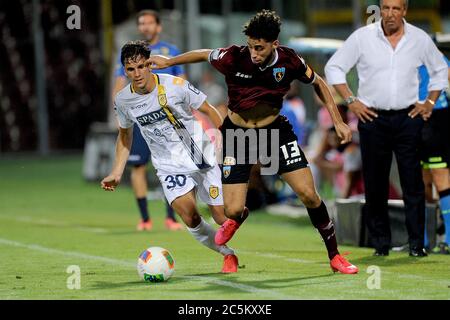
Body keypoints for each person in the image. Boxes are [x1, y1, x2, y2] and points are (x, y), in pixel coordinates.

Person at [148, 10, 358, 274]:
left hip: (275, 133)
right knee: (232, 210)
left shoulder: (289, 60)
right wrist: (169, 61)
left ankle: (335, 256)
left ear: (274, 45)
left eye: (259, 48)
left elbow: (318, 82)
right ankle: (238, 218)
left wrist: (338, 119)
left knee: (309, 195)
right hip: (239, 136)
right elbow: (203, 53)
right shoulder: (233, 57)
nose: (254, 53)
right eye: (251, 46)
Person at [325, 0, 448, 257]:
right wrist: (351, 101)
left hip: (408, 118)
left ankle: (417, 244)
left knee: (413, 184)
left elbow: (440, 69)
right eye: (386, 8)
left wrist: (430, 102)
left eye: (396, 8)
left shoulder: (419, 39)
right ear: (380, 9)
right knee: (375, 183)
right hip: (372, 118)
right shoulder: (363, 37)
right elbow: (333, 67)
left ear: (405, 11)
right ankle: (381, 244)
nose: (390, 13)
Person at [102, 41, 239, 273]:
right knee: (190, 216)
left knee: (220, 217)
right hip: (168, 166)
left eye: (141, 66)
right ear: (125, 70)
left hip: (200, 156)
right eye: (130, 69)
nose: (136, 74)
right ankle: (227, 254)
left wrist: (227, 141)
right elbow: (125, 136)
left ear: (149, 65)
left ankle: (239, 209)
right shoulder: (123, 100)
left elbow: (208, 110)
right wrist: (116, 171)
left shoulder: (175, 85)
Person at [112, 10, 185, 231]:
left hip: (167, 120)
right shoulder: (129, 55)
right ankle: (145, 218)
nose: (145, 27)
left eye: (149, 23)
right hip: (141, 119)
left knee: (171, 167)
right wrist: (118, 111)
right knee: (138, 166)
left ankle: (171, 217)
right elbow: (119, 82)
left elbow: (182, 82)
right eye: (141, 23)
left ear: (158, 26)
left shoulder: (170, 52)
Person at [418, 54, 450, 254]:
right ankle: (420, 241)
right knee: (419, 182)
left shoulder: (430, 53)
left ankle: (448, 240)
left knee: (441, 180)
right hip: (413, 118)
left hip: (435, 117)